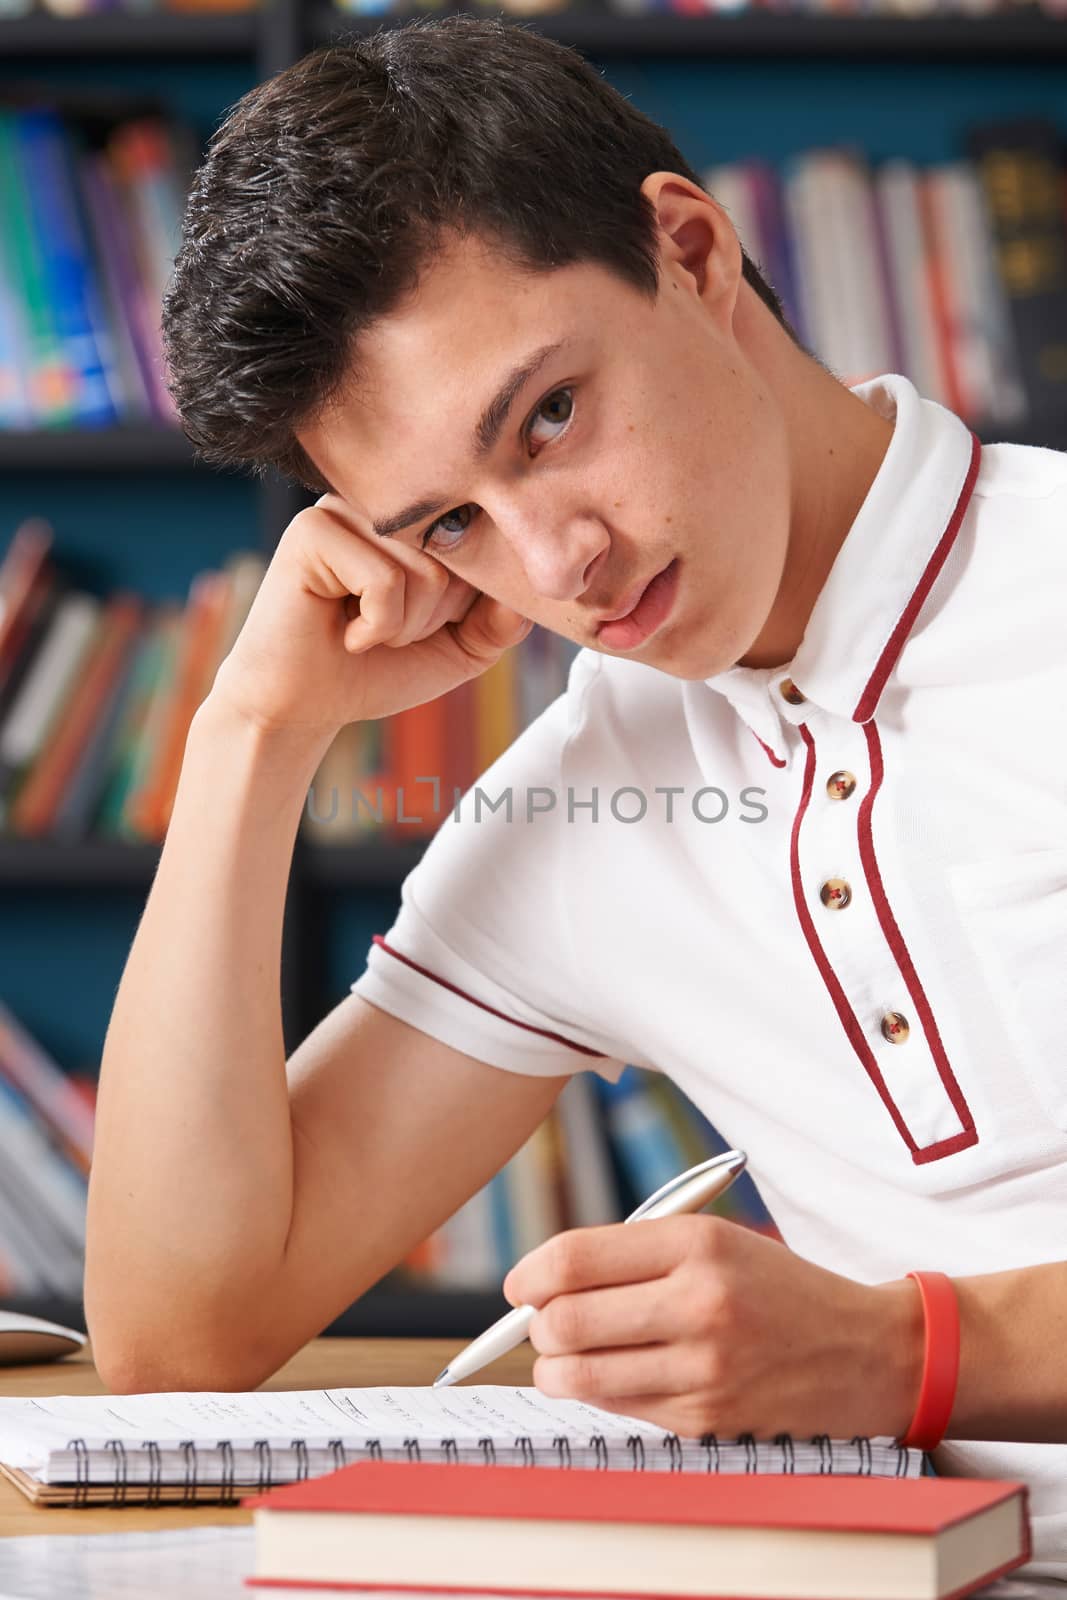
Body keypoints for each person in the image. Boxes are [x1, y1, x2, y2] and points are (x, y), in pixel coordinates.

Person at [85, 16, 1067, 1575]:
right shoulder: (587, 799)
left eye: (549, 416)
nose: (558, 565)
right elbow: (174, 1336)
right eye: (453, 524)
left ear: (688, 250)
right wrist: (249, 733)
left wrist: (912, 1350)